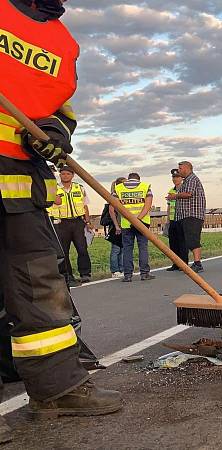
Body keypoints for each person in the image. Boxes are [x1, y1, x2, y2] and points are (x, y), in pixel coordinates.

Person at [0, 0, 122, 439]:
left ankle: (57, 391)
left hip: (20, 183)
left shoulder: (62, 43)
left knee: (41, 291)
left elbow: (61, 107)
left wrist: (54, 132)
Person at [50, 165, 92, 286]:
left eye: (68, 174)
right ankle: (68, 277)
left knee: (82, 248)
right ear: (60, 175)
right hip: (62, 223)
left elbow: (85, 206)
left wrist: (88, 222)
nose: (65, 176)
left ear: (73, 175)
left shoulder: (79, 188)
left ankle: (85, 274)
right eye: (63, 174)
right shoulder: (55, 188)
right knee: (64, 251)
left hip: (78, 222)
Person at [111, 173, 155, 282]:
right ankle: (144, 273)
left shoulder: (118, 188)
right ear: (138, 179)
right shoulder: (145, 186)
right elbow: (148, 205)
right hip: (143, 222)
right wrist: (138, 219)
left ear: (129, 178)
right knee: (143, 248)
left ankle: (127, 275)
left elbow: (116, 206)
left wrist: (130, 218)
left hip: (126, 223)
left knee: (127, 249)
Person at [170, 161, 205, 272]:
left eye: (180, 168)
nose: (179, 170)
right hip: (185, 215)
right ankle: (189, 263)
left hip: (192, 214)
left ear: (186, 168)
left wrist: (175, 196)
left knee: (193, 240)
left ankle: (197, 263)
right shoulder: (187, 180)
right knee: (188, 240)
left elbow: (188, 194)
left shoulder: (191, 179)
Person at [101, 177, 126, 278]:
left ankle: (121, 269)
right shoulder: (114, 195)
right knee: (116, 249)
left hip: (123, 224)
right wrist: (116, 225)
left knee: (122, 249)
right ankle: (115, 270)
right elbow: (111, 211)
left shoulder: (120, 194)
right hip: (116, 225)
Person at [165, 168, 187, 271]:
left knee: (182, 242)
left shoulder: (184, 189)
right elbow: (169, 206)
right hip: (173, 220)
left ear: (181, 178)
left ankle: (183, 264)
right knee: (173, 243)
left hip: (182, 219)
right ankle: (175, 263)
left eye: (177, 177)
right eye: (173, 177)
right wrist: (168, 220)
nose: (174, 179)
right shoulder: (171, 191)